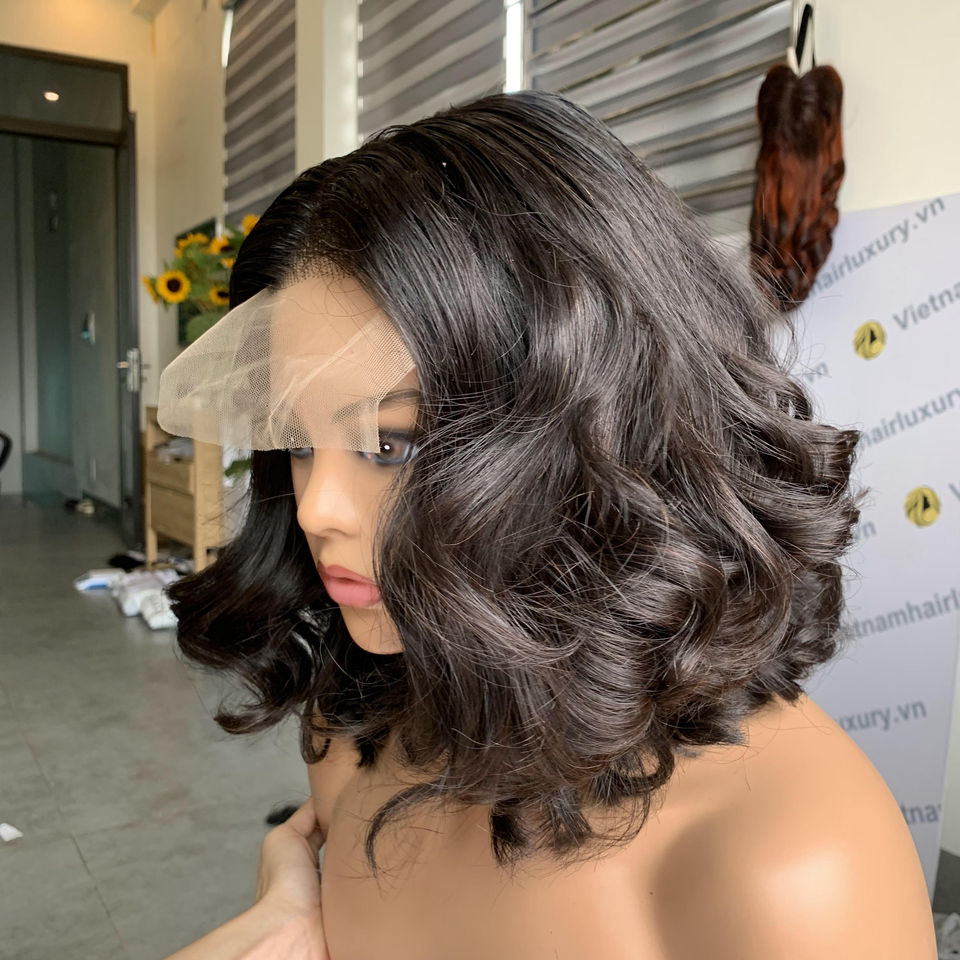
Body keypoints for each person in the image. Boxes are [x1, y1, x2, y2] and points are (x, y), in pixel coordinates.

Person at [159, 90, 936, 959]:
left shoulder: (788, 863)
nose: (316, 509)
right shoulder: (356, 730)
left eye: (391, 444)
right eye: (300, 442)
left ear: (602, 437)